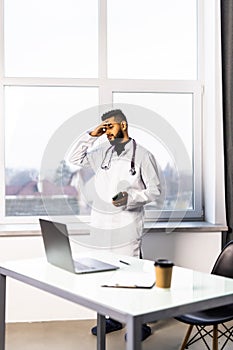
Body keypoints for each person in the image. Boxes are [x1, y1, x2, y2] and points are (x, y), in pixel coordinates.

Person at [69, 109, 161, 341]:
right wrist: (92, 134)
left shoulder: (143, 156)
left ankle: (139, 324)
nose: (106, 131)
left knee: (132, 275)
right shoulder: (102, 153)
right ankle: (110, 318)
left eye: (110, 126)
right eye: (104, 128)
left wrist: (130, 198)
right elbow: (74, 158)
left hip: (127, 223)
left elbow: (155, 191)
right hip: (101, 223)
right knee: (104, 273)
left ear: (124, 125)